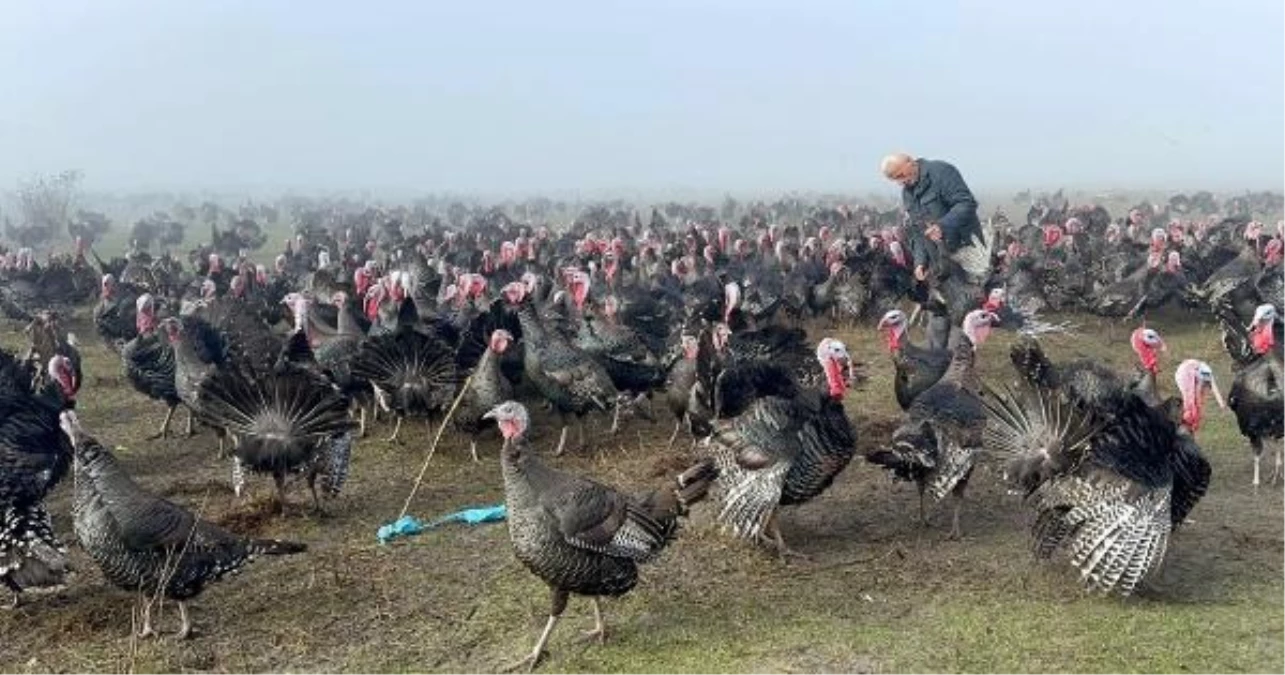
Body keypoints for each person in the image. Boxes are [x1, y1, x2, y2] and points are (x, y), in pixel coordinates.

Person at [881, 153, 981, 281]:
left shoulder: (942, 172)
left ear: (910, 162)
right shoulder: (907, 194)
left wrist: (943, 226)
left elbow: (966, 203)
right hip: (941, 266)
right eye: (896, 180)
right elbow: (917, 231)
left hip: (967, 256)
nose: (901, 182)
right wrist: (920, 262)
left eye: (901, 175)